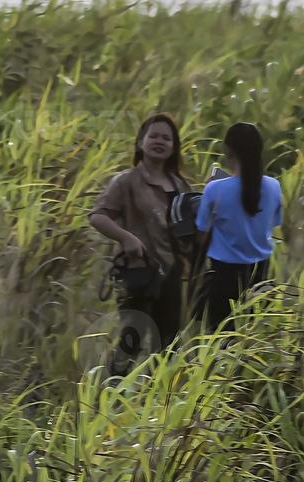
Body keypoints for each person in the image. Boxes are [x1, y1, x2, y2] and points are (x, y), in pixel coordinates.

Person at [88, 114, 193, 359]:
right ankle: (111, 393)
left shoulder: (179, 185)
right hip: (137, 272)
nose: (160, 141)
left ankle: (160, 396)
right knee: (132, 340)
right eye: (153, 136)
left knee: (169, 344)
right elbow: (98, 216)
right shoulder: (126, 181)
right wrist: (126, 238)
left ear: (174, 146)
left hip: (172, 274)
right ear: (140, 143)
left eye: (166, 138)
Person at [194, 122, 282, 333]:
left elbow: (201, 234)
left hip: (224, 278)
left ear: (227, 151)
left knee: (220, 341)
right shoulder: (274, 186)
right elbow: (273, 224)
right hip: (262, 276)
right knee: (255, 339)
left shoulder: (215, 189)